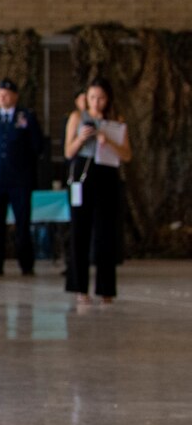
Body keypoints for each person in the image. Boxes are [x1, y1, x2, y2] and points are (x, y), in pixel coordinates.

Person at [65, 78, 130, 305]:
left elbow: (127, 155)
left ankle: (106, 289)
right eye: (92, 97)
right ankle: (79, 287)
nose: (97, 102)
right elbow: (68, 152)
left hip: (107, 177)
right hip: (82, 177)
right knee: (79, 234)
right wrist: (81, 138)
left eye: (101, 98)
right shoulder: (77, 118)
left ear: (108, 98)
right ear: (86, 98)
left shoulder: (116, 121)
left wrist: (108, 140)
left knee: (106, 235)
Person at [0, 77, 44, 276]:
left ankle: (26, 264)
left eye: (7, 94)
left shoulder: (26, 117)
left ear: (15, 96)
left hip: (20, 180)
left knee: (23, 223)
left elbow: (37, 146)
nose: (3, 97)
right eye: (0, 94)